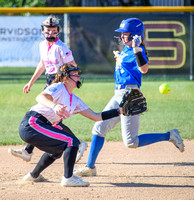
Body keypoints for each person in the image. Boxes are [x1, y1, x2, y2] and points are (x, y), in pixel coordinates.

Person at [74, 18, 185, 177]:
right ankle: (90, 167)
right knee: (99, 127)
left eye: (125, 34)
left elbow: (144, 68)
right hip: (118, 93)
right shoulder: (126, 50)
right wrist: (121, 56)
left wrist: (137, 49)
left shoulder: (137, 50)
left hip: (129, 95)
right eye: (122, 34)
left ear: (135, 36)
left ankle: (169, 135)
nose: (122, 37)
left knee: (131, 142)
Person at [19, 63, 124, 187]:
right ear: (65, 77)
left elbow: (95, 116)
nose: (78, 77)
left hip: (40, 126)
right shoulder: (59, 87)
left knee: (56, 151)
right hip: (32, 123)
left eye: (78, 74)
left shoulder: (75, 100)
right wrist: (54, 105)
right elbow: (40, 97)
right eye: (75, 74)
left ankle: (33, 176)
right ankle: (68, 178)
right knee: (71, 141)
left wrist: (119, 111)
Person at [8, 15, 87, 163]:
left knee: (49, 118)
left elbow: (73, 66)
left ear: (58, 31)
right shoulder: (42, 45)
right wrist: (31, 82)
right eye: (47, 30)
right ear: (43, 31)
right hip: (49, 80)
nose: (50, 33)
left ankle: (78, 143)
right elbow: (42, 64)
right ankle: (28, 150)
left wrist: (71, 82)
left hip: (59, 82)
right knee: (44, 116)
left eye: (53, 30)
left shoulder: (61, 47)